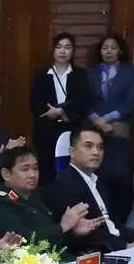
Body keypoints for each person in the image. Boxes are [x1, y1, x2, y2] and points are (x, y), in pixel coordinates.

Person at [0, 145, 109, 252]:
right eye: (25, 169)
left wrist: (73, 232)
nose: (32, 174)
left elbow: (52, 236)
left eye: (35, 168)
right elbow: (24, 242)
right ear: (6, 174)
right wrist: (63, 227)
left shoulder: (38, 196)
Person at [47, 126, 127, 253]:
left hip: (118, 243)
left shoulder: (99, 181)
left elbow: (113, 224)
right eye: (88, 146)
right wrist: (126, 246)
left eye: (100, 147)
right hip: (100, 252)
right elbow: (86, 237)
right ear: (72, 152)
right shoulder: (64, 185)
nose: (96, 152)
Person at [29, 32, 90, 167]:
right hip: (45, 131)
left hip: (72, 128)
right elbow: (34, 102)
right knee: (46, 167)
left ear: (72, 51)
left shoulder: (80, 74)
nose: (63, 51)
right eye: (59, 47)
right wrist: (49, 113)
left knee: (71, 166)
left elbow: (84, 100)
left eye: (67, 47)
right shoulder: (40, 75)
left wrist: (62, 111)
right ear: (53, 50)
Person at [89, 32, 134, 189]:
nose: (108, 51)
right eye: (105, 48)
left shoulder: (130, 73)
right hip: (94, 130)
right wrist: (97, 121)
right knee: (96, 176)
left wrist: (105, 119)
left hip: (118, 131)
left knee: (118, 177)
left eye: (113, 47)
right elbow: (84, 101)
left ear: (120, 51)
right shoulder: (90, 73)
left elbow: (129, 103)